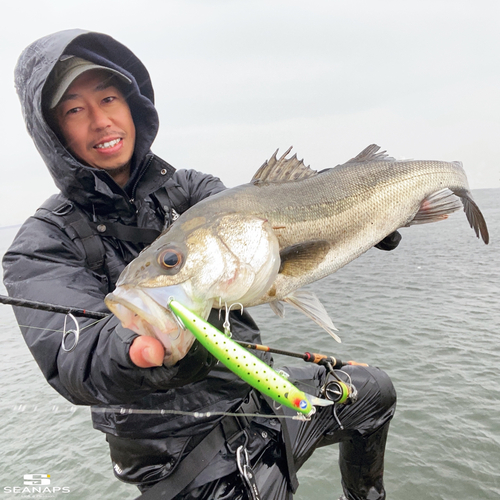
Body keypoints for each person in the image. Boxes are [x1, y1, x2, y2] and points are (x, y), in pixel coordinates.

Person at [3, 29, 398, 500]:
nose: (100, 120)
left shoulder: (190, 189)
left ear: (133, 105)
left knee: (375, 392)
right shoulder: (41, 242)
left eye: (109, 98)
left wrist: (360, 213)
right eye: (74, 109)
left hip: (262, 394)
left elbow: (265, 229)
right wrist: (135, 351)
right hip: (180, 451)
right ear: (53, 132)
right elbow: (77, 359)